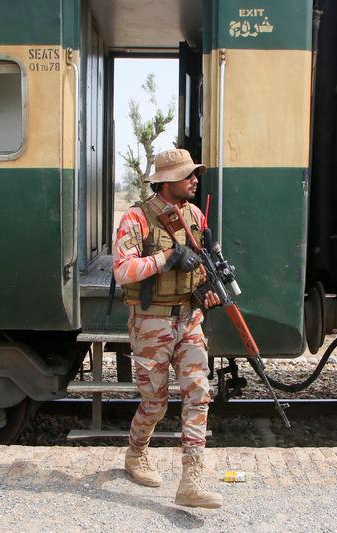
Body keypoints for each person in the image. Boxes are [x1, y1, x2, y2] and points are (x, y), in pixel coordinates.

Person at [112, 148, 223, 509]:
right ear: (167, 181)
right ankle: (136, 453)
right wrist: (166, 258)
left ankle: (191, 479)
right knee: (155, 403)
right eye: (188, 175)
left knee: (199, 392)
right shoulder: (137, 218)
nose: (194, 180)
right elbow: (122, 270)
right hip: (151, 322)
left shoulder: (194, 215)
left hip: (188, 319)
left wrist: (206, 290)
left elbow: (202, 265)